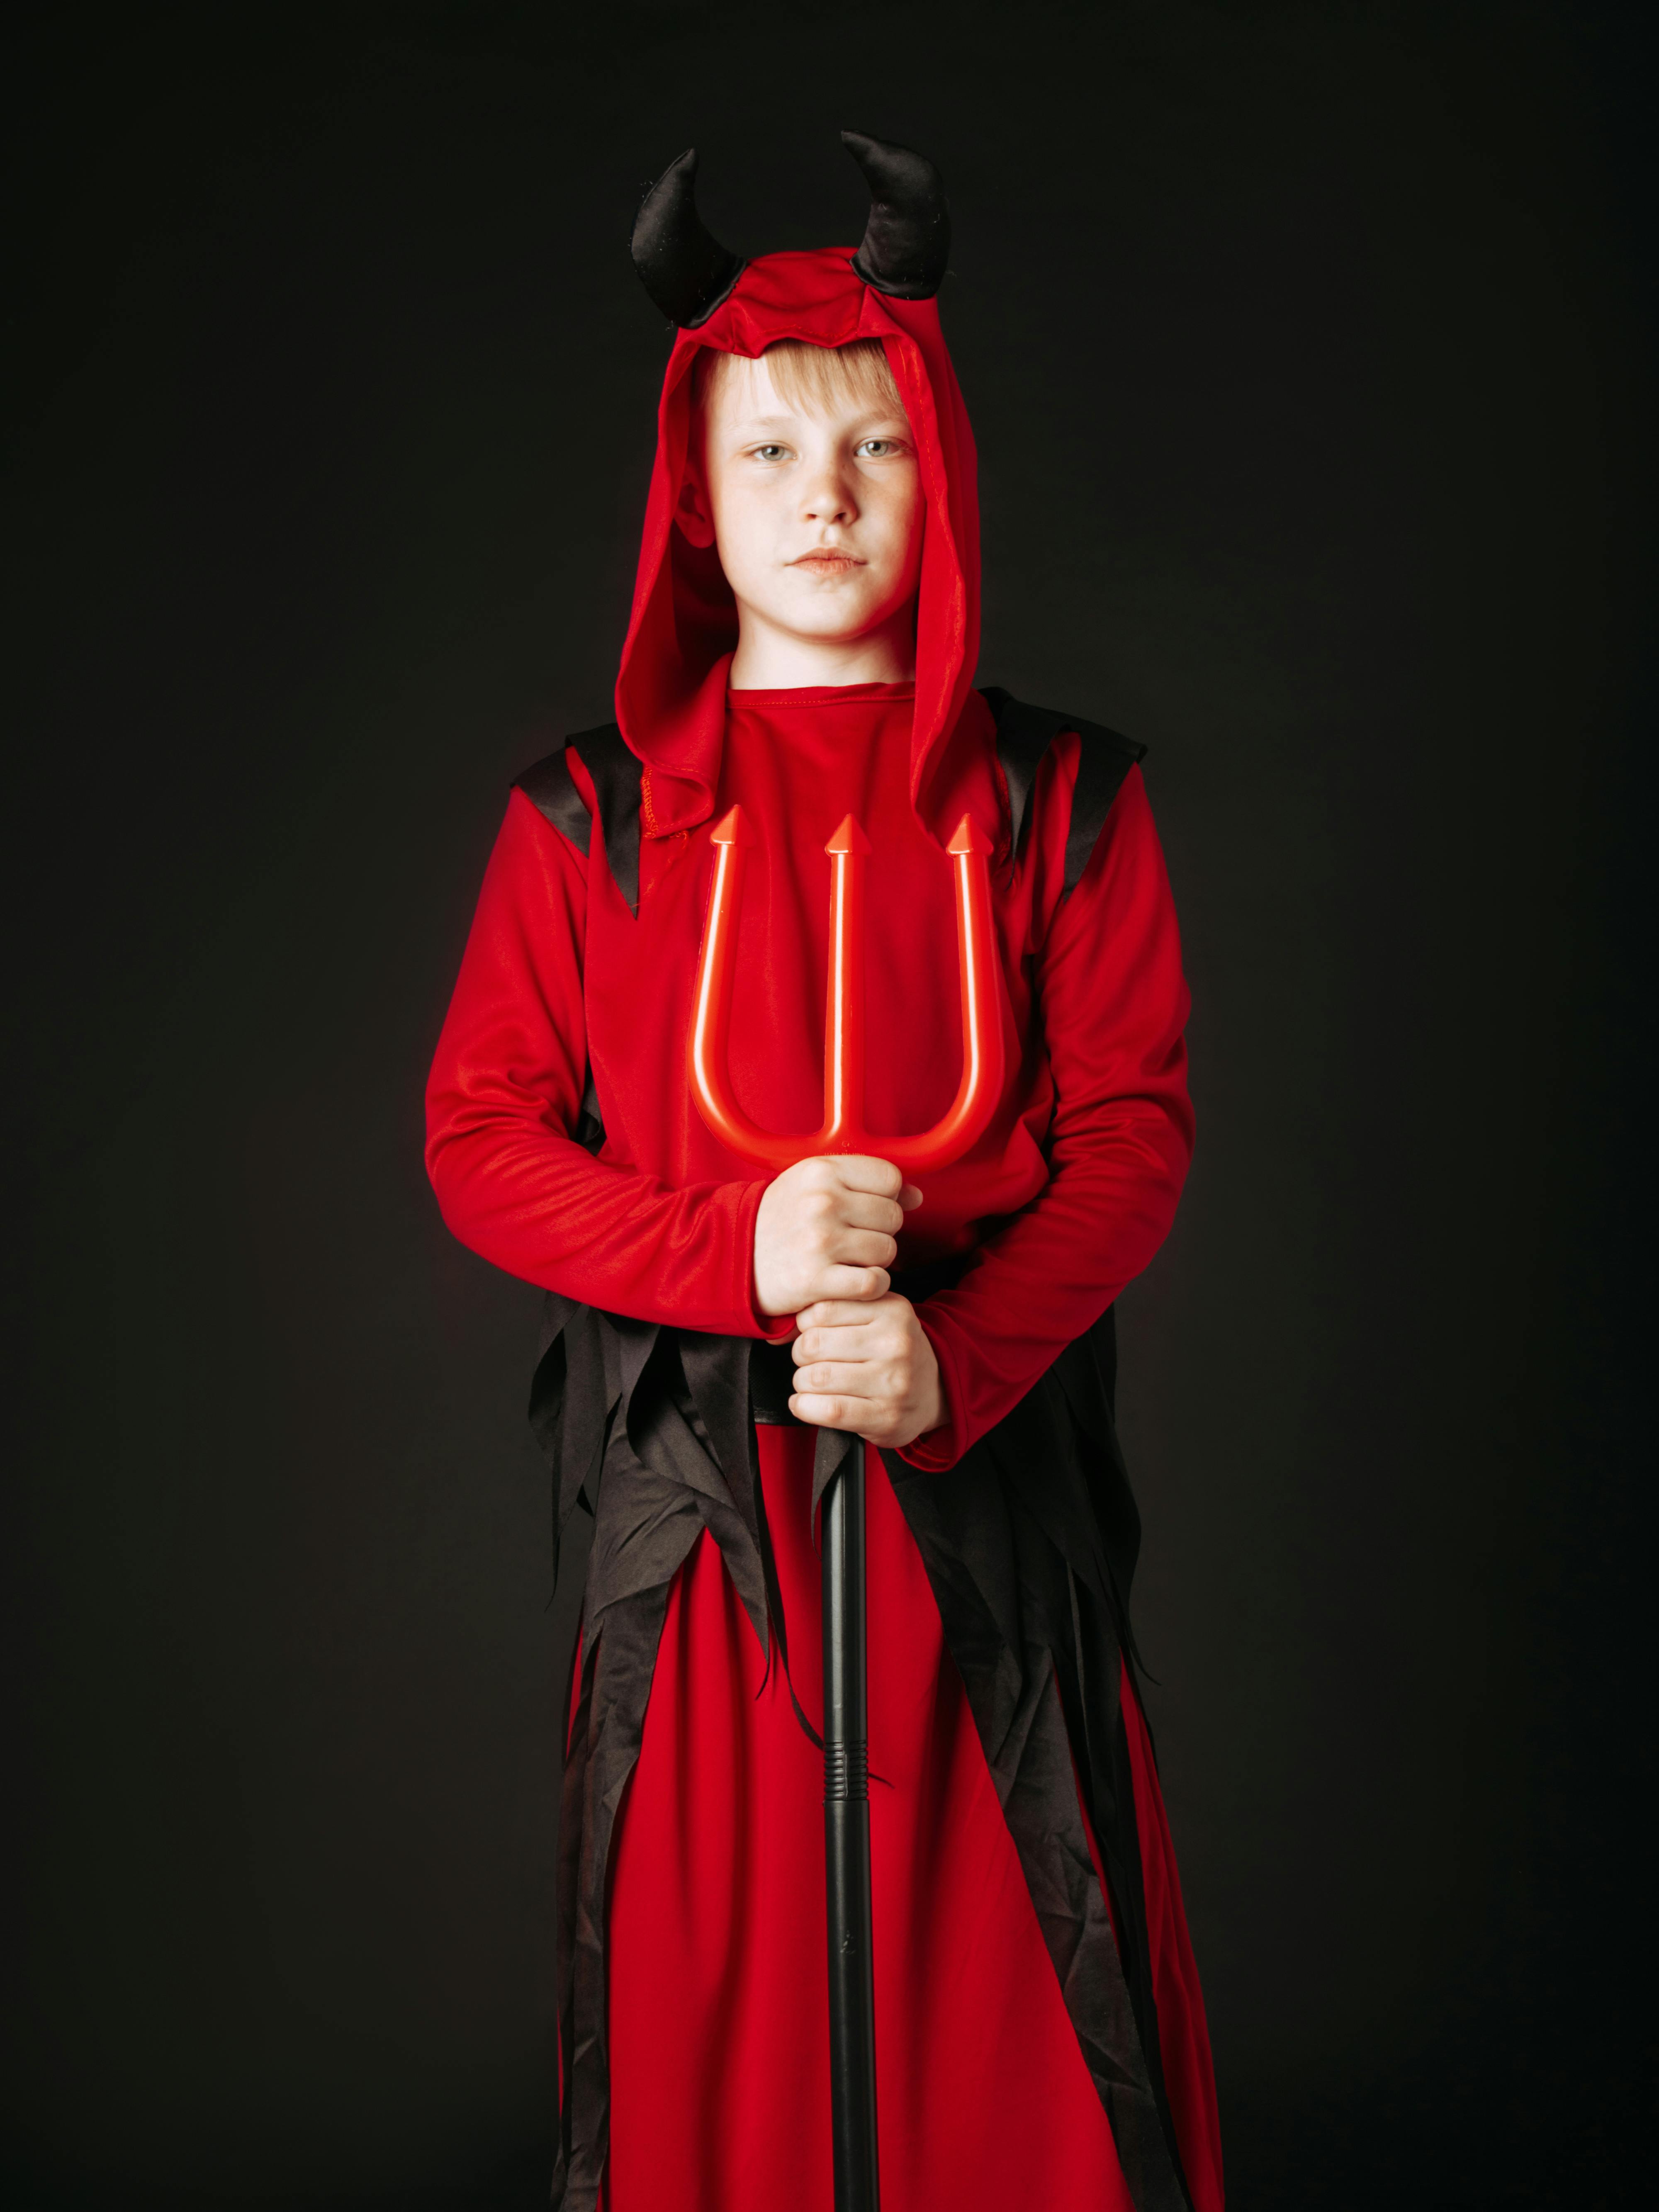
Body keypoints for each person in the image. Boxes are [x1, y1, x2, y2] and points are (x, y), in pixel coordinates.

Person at [425, 133, 1224, 2212]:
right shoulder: (579, 822)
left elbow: (1132, 1127)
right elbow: (482, 1137)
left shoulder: (1064, 803)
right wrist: (727, 1246)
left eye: (870, 445)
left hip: (982, 1478)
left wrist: (956, 1359)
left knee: (1017, 1992)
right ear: (692, 491)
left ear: (935, 467)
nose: (823, 497)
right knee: (723, 2004)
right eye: (769, 452)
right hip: (703, 1517)